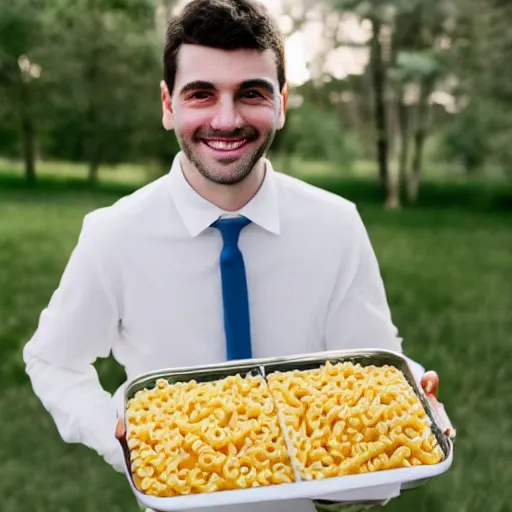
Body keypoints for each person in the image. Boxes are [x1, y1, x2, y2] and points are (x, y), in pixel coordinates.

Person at [22, 1, 447, 511]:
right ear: (167, 104)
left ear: (283, 103)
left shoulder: (336, 224)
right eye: (201, 94)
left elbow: (368, 360)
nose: (226, 119)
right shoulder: (113, 235)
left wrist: (409, 396)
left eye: (251, 93)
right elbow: (52, 359)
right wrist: (117, 436)